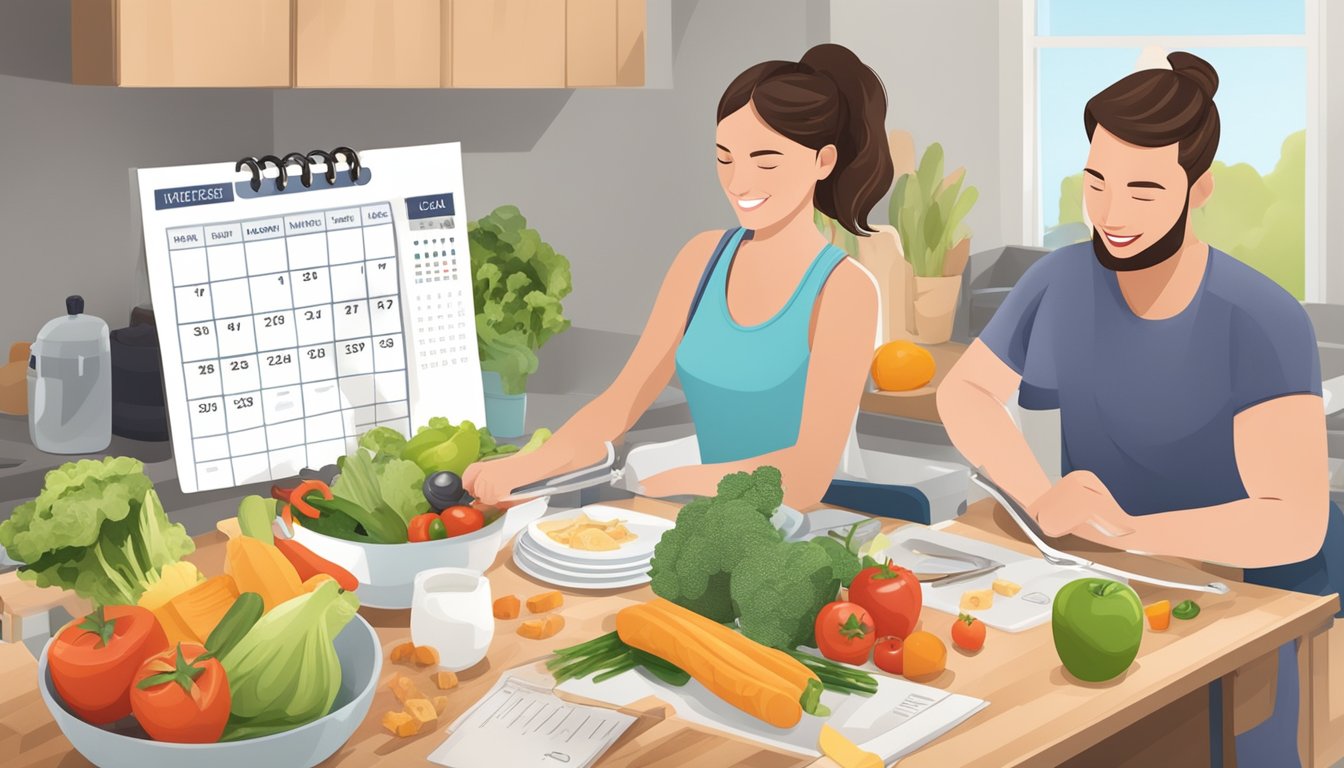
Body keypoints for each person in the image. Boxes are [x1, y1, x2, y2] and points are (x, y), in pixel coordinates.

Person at [938, 51, 1342, 765]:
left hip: (1238, 605)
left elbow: (1295, 520)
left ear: (1200, 187)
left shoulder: (1258, 319)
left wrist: (1129, 532)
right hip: (1094, 585)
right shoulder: (1060, 282)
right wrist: (1040, 498)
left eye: (1144, 190)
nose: (1112, 214)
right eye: (1096, 182)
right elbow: (963, 392)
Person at [465, 43, 891, 510]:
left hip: (800, 530)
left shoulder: (845, 289)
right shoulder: (702, 259)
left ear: (823, 162)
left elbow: (806, 477)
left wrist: (677, 479)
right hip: (708, 521)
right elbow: (619, 405)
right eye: (725, 158)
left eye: (765, 161)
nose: (739, 183)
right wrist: (527, 466)